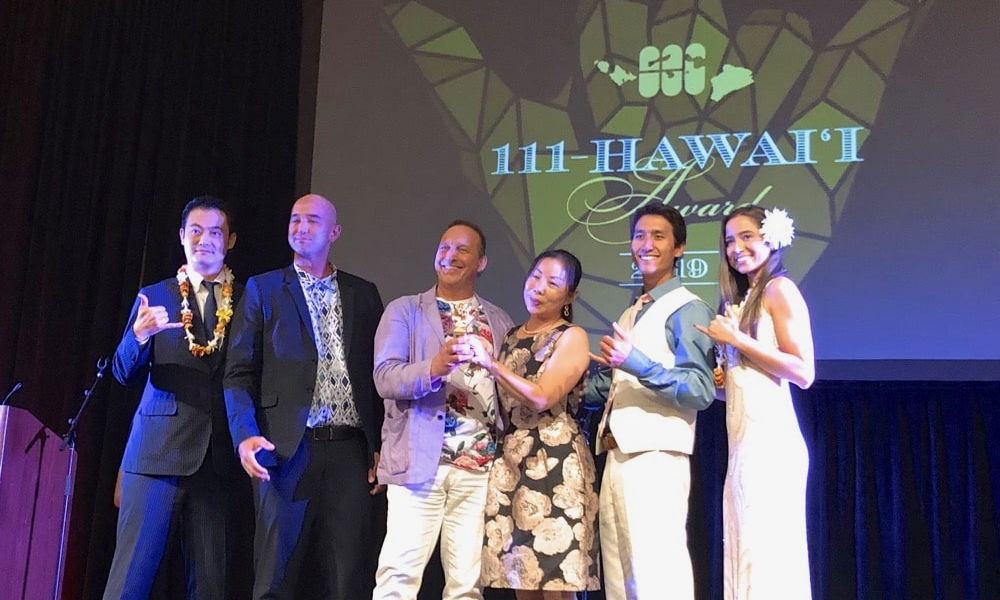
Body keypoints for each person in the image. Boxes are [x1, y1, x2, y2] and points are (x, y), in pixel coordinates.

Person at [224, 193, 384, 600]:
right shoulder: (264, 288)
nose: (300, 227)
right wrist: (245, 434)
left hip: (349, 451)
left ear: (334, 232)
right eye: (295, 219)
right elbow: (238, 372)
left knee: (348, 579)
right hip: (285, 450)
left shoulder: (363, 294)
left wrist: (380, 445)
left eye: (312, 220)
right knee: (274, 578)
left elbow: (378, 377)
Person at [104, 195, 248, 600]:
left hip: (217, 461)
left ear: (230, 241)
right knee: (130, 582)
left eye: (216, 232)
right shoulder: (155, 295)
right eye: (196, 231)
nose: (205, 239)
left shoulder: (248, 301)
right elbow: (122, 372)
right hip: (156, 455)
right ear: (182, 236)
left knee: (211, 588)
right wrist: (138, 336)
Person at [372, 220, 513, 600]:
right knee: (398, 578)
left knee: (467, 586)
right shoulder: (405, 311)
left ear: (481, 262)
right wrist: (434, 368)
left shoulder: (498, 320)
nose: (450, 256)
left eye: (462, 249)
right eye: (444, 247)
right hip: (420, 462)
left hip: (479, 467)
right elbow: (385, 378)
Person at [588, 204, 717, 600]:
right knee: (620, 578)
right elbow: (617, 384)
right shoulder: (633, 311)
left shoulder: (688, 308)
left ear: (679, 248)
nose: (646, 244)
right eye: (640, 236)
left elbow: (701, 388)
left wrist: (637, 363)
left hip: (657, 455)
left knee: (657, 575)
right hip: (618, 454)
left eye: (658, 236)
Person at [695, 206, 814, 600]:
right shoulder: (742, 301)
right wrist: (718, 379)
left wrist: (737, 340)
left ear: (771, 239)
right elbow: (744, 381)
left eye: (746, 236)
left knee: (766, 555)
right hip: (743, 442)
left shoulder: (780, 290)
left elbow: (803, 371)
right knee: (744, 547)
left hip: (771, 442)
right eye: (729, 240)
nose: (736, 248)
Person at [467, 249, 600, 599]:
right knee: (520, 577)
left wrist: (492, 365)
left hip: (554, 461)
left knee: (554, 581)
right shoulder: (511, 335)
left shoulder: (571, 336)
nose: (539, 287)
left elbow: (542, 397)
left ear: (570, 296)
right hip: (512, 463)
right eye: (536, 276)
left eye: (553, 283)